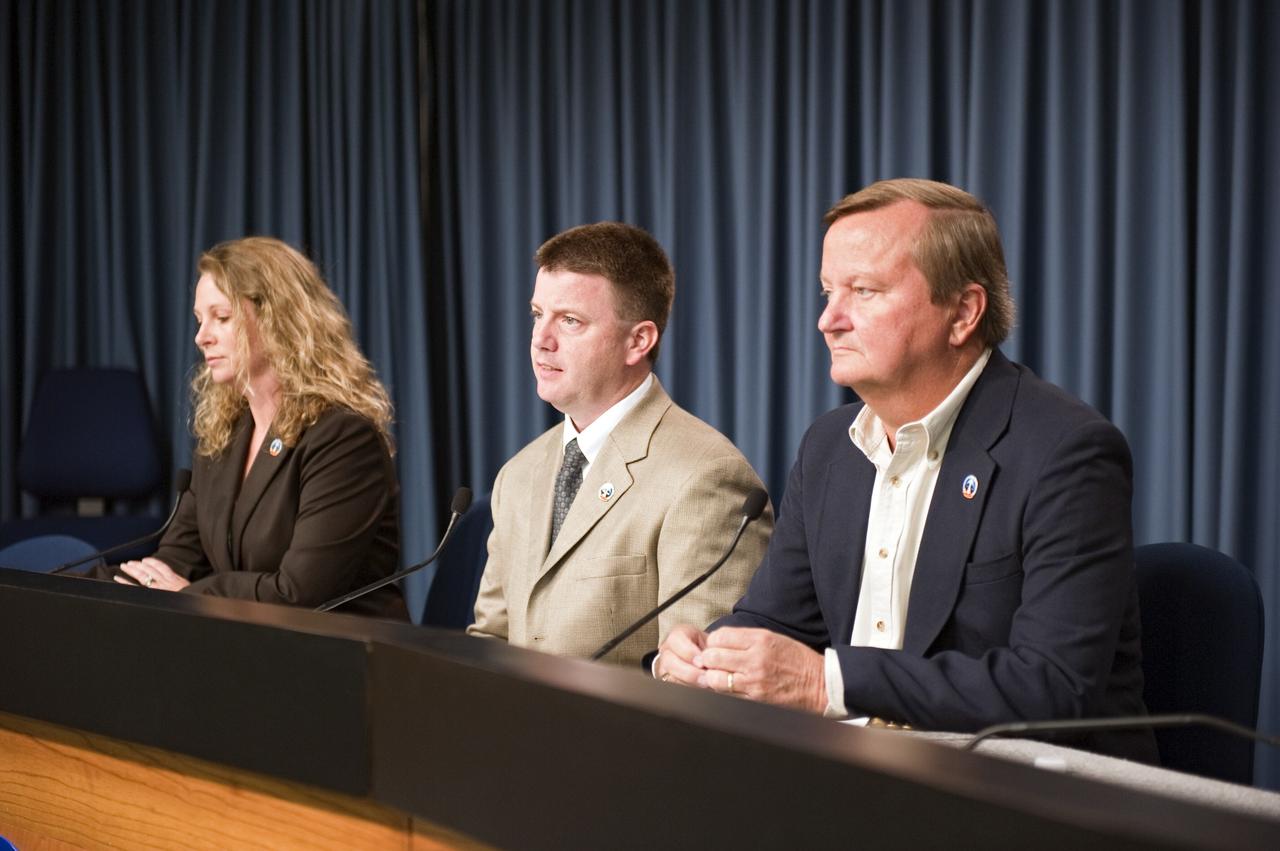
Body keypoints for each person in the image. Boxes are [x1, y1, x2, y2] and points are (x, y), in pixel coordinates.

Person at [656, 179, 1157, 762]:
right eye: (827, 292)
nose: (828, 320)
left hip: (1030, 798)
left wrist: (828, 684)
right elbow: (774, 623)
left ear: (963, 312)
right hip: (860, 784)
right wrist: (705, 655)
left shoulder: (1065, 452)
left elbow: (1050, 688)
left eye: (863, 291)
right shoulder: (829, 449)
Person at [468, 222, 773, 665]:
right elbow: (491, 639)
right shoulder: (520, 474)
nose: (541, 340)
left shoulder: (707, 476)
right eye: (538, 315)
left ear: (638, 340)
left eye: (570, 321)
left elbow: (702, 681)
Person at [96, 236, 407, 619]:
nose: (201, 336)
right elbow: (175, 564)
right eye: (199, 319)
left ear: (277, 320)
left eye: (221, 317)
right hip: (246, 646)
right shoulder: (224, 436)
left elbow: (298, 593)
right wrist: (80, 585)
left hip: (342, 659)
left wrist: (192, 594)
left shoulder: (342, 439)